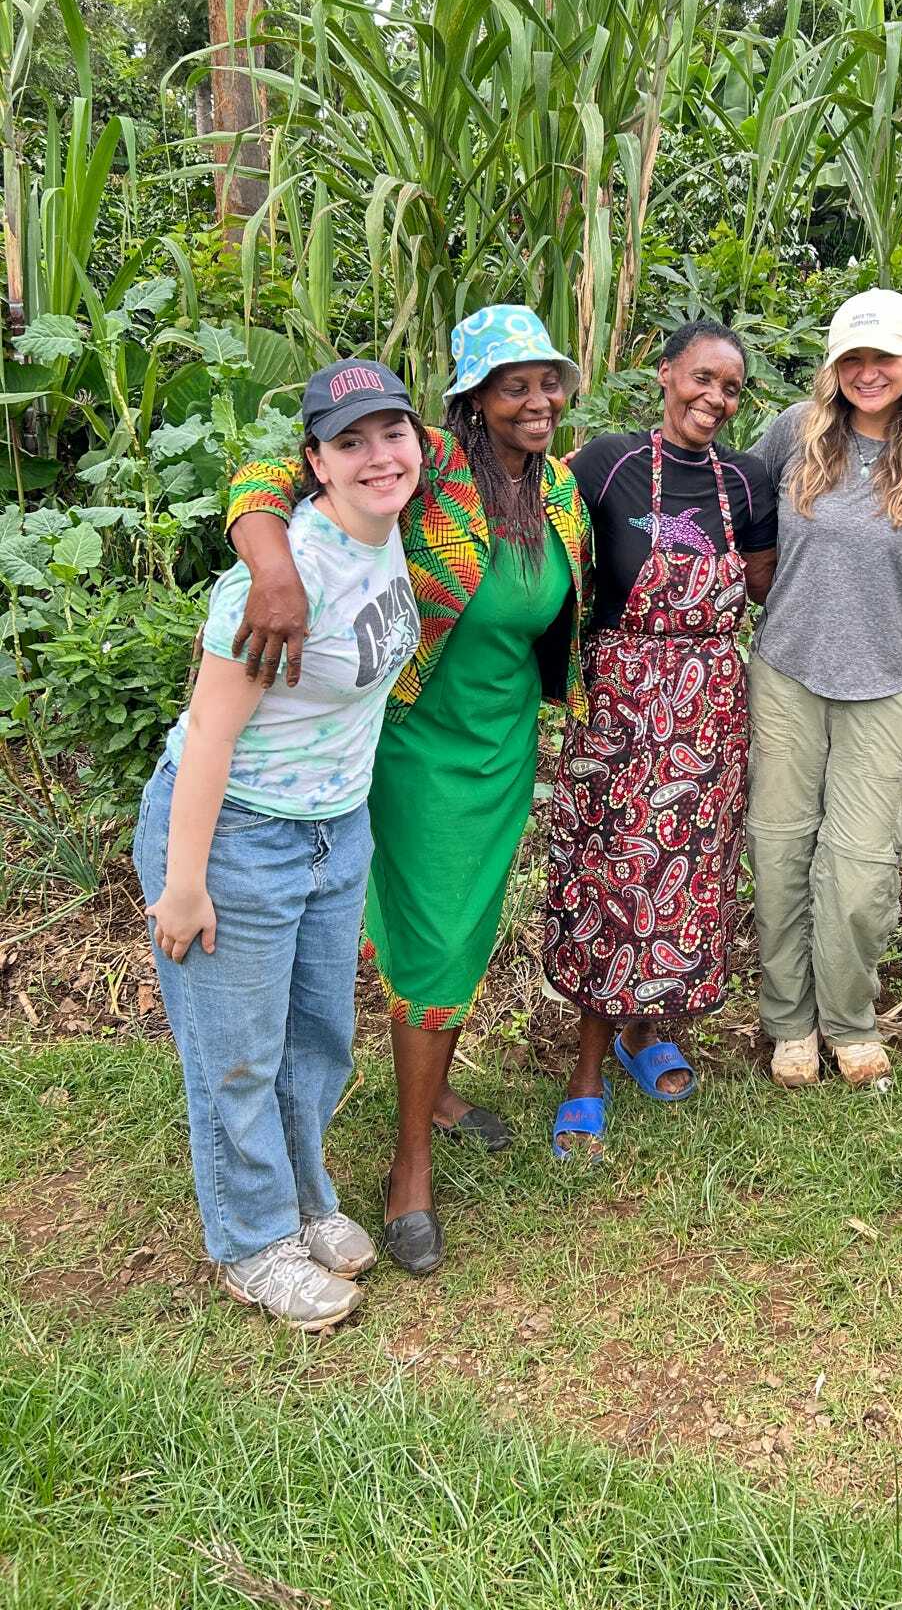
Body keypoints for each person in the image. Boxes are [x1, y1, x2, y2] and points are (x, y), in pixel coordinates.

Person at [224, 307, 590, 1272]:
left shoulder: (559, 489)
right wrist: (274, 572)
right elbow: (268, 474)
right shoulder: (425, 464)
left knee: (457, 929)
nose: (537, 400)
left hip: (502, 744)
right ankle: (409, 1168)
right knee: (435, 933)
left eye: (548, 380)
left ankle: (435, 1090)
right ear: (472, 398)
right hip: (415, 743)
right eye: (513, 386)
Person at [133, 360, 423, 1329]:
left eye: (392, 432)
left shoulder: (388, 533)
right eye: (351, 441)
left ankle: (303, 1202)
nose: (379, 455)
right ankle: (251, 1244)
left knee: (316, 1040)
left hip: (335, 829)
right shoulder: (276, 581)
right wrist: (183, 885)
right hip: (238, 836)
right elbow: (209, 734)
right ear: (316, 463)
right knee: (238, 1055)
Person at [543, 321, 777, 1155]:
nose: (714, 398)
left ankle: (648, 1032)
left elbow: (760, 579)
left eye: (731, 389)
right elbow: (538, 532)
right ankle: (585, 1069)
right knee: (614, 876)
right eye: (702, 379)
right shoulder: (605, 463)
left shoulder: (746, 483)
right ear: (666, 374)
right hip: (622, 704)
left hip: (710, 705)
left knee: (684, 876)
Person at [745, 290, 902, 1089]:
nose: (869, 373)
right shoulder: (790, 437)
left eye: (884, 358)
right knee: (779, 844)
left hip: (884, 676)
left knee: (864, 861)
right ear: (834, 367)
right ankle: (787, 1022)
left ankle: (850, 1018)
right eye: (854, 359)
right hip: (788, 668)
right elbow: (739, 518)